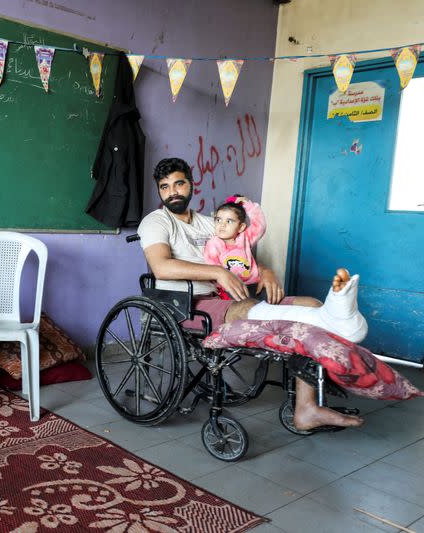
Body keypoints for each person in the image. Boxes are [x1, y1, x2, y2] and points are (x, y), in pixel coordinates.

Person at [137, 157, 366, 430]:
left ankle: (307, 408)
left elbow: (239, 257)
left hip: (228, 297)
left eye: (178, 183)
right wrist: (218, 273)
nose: (172, 191)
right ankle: (340, 325)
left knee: (311, 305)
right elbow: (161, 267)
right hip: (187, 304)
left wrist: (266, 270)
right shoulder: (156, 222)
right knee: (269, 314)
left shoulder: (211, 222)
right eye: (164, 187)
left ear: (191, 184)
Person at [203, 195, 266, 300]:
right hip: (228, 289)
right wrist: (222, 287)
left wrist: (248, 205)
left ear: (241, 227)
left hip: (253, 285)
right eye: (218, 220)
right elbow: (213, 267)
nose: (222, 225)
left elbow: (260, 226)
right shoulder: (214, 243)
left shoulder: (245, 239)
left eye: (229, 221)